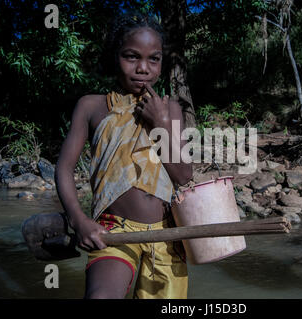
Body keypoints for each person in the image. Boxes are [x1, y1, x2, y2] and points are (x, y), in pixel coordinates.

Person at [54, 11, 192, 299]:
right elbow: (64, 169)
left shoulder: (171, 110)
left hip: (166, 233)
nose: (143, 68)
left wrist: (161, 124)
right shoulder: (91, 106)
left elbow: (183, 174)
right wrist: (78, 220)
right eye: (132, 56)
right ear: (114, 57)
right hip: (113, 231)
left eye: (153, 59)